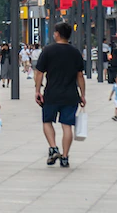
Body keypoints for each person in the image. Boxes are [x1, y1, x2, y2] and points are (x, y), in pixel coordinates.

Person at [35, 21, 86, 168]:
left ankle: (53, 147)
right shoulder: (75, 52)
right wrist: (82, 94)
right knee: (67, 126)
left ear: (57, 34)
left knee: (47, 121)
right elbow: (80, 76)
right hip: (70, 95)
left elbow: (39, 72)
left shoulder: (48, 51)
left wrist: (37, 90)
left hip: (51, 93)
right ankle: (65, 157)